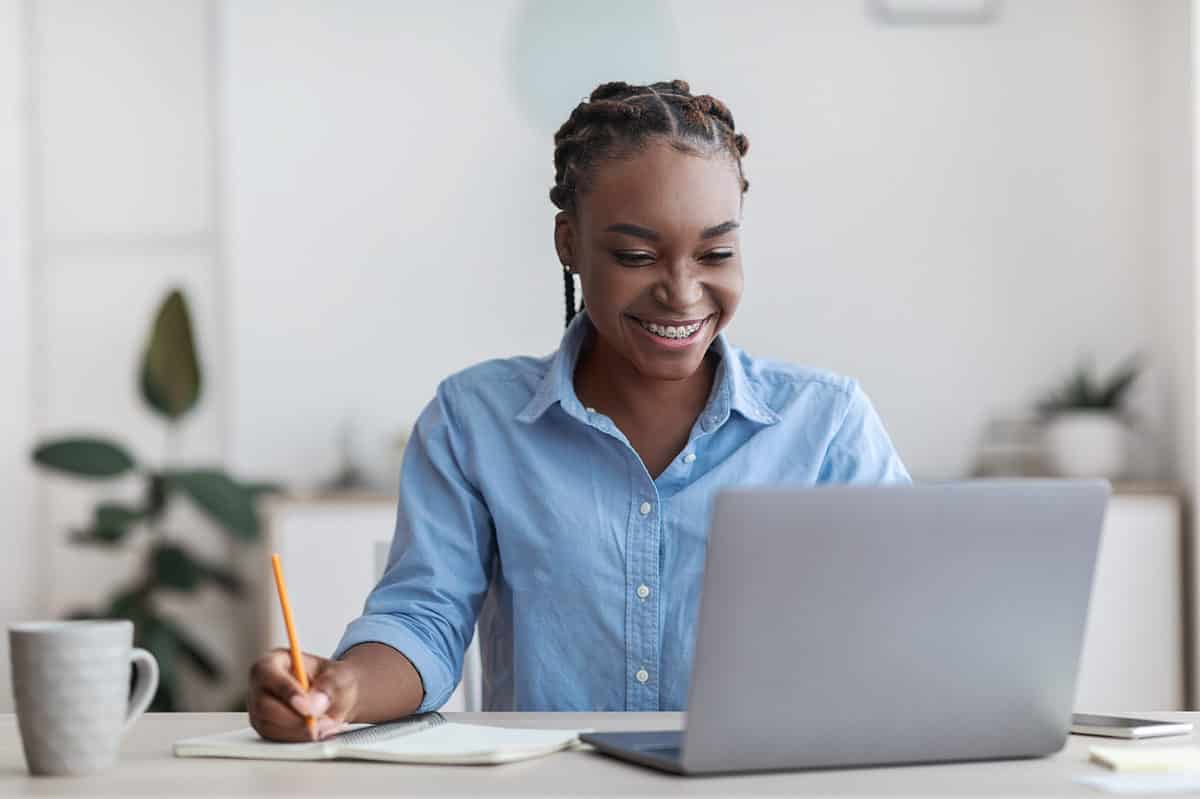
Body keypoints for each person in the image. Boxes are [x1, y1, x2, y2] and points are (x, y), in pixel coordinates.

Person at [248, 79, 910, 742]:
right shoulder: (474, 421)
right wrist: (343, 688)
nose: (682, 292)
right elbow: (424, 619)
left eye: (717, 253)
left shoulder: (826, 426)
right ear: (569, 242)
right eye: (635, 255)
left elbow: (910, 622)